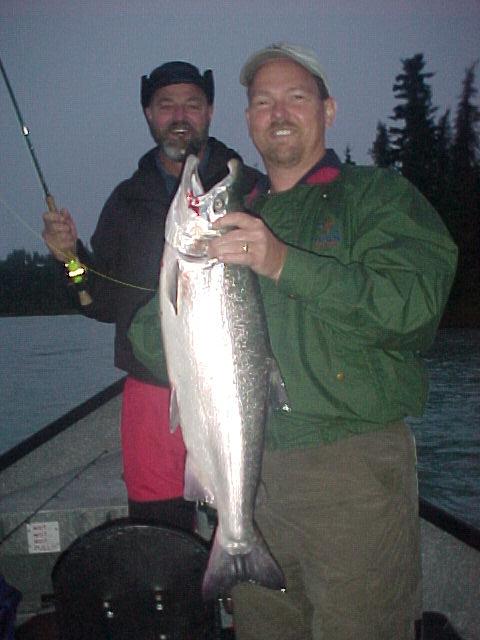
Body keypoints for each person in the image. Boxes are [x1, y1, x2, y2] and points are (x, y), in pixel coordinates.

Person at [127, 43, 458, 639]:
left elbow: (413, 311)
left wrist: (281, 262)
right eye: (262, 101)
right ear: (249, 120)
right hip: (249, 480)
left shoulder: (377, 197)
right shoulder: (234, 216)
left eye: (296, 97)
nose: (278, 111)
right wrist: (178, 270)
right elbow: (150, 349)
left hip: (352, 475)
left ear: (327, 110)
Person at [41, 61, 262, 530]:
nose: (180, 115)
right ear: (148, 114)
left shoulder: (249, 188)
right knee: (160, 538)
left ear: (211, 112)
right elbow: (98, 300)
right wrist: (70, 259)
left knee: (250, 509)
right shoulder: (126, 200)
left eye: (192, 104)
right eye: (167, 105)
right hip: (152, 392)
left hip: (236, 386)